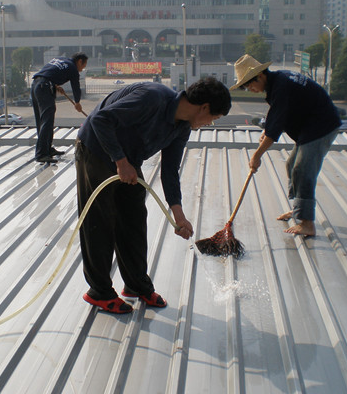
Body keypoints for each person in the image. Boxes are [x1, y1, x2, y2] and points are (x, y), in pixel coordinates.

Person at [75, 77, 232, 313]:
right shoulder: (152, 98)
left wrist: (179, 215)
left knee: (134, 219)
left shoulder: (181, 127)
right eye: (214, 118)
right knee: (100, 222)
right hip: (96, 149)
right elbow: (100, 119)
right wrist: (120, 161)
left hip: (127, 159)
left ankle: (136, 285)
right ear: (204, 107)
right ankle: (99, 292)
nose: (210, 123)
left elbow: (170, 171)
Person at [232, 54, 341, 236]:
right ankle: (299, 210)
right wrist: (267, 130)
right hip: (309, 127)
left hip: (322, 126)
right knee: (292, 166)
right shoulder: (278, 81)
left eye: (249, 85)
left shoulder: (281, 86)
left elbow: (276, 128)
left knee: (302, 169)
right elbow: (277, 114)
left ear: (260, 76)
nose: (249, 89)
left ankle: (307, 223)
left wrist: (256, 156)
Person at [31, 53, 88, 163]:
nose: (81, 70)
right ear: (80, 61)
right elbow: (76, 86)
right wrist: (77, 102)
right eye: (83, 66)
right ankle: (41, 154)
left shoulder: (60, 59)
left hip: (36, 85)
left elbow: (47, 73)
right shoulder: (72, 68)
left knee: (42, 121)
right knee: (47, 121)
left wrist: (55, 85)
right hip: (44, 87)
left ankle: (47, 149)